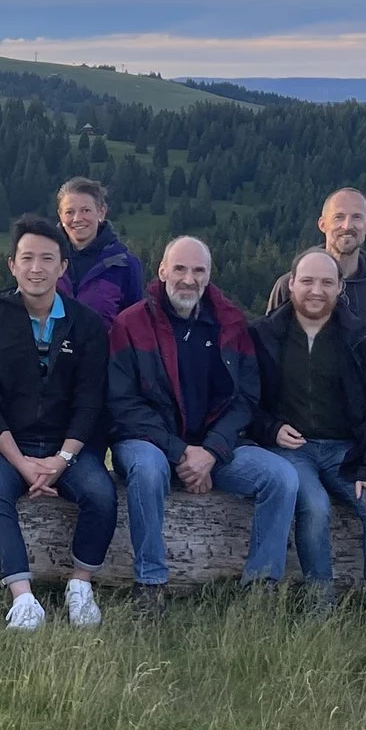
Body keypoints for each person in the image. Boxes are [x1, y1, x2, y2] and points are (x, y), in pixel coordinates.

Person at [105, 235, 297, 614]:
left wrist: (211, 452)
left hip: (214, 446)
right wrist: (182, 453)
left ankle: (261, 587)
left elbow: (245, 398)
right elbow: (123, 404)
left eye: (198, 271)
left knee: (282, 477)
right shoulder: (130, 324)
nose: (188, 279)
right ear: (162, 271)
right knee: (147, 470)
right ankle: (150, 584)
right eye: (179, 268)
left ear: (209, 275)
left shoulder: (231, 323)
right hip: (149, 442)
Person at [0, 215, 114, 631]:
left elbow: (90, 401)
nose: (37, 268)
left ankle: (80, 585)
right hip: (5, 444)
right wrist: (21, 463)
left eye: (47, 259)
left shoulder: (87, 325)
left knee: (101, 494)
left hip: (66, 444)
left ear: (62, 267)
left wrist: (62, 460)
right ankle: (23, 600)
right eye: (27, 258)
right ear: (12, 265)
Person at [249, 247, 366, 613]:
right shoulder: (263, 334)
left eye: (326, 282)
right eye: (307, 281)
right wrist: (271, 428)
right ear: (291, 284)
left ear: (340, 287)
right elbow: (245, 401)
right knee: (316, 506)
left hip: (348, 451)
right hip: (292, 450)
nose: (316, 290)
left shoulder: (363, 335)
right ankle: (320, 606)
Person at [266, 188, 366, 319]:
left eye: (357, 217)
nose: (347, 226)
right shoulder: (291, 286)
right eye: (339, 217)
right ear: (322, 224)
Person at [56, 177, 146, 323]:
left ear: (101, 212)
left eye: (85, 210)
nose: (77, 218)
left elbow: (136, 325)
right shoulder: (46, 261)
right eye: (69, 212)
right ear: (60, 216)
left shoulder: (125, 265)